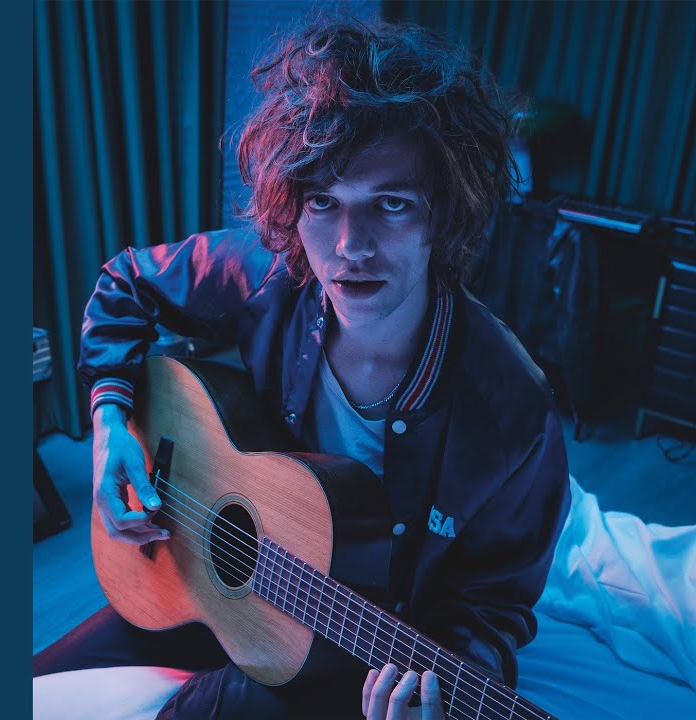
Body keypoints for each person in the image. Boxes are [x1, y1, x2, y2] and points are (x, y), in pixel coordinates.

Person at [34, 16, 570, 720]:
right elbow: (125, 284)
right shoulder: (272, 275)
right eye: (324, 202)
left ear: (442, 215)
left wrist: (445, 684)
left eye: (391, 205)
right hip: (187, 569)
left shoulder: (513, 414)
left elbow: (495, 605)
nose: (350, 247)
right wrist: (109, 426)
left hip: (340, 646)